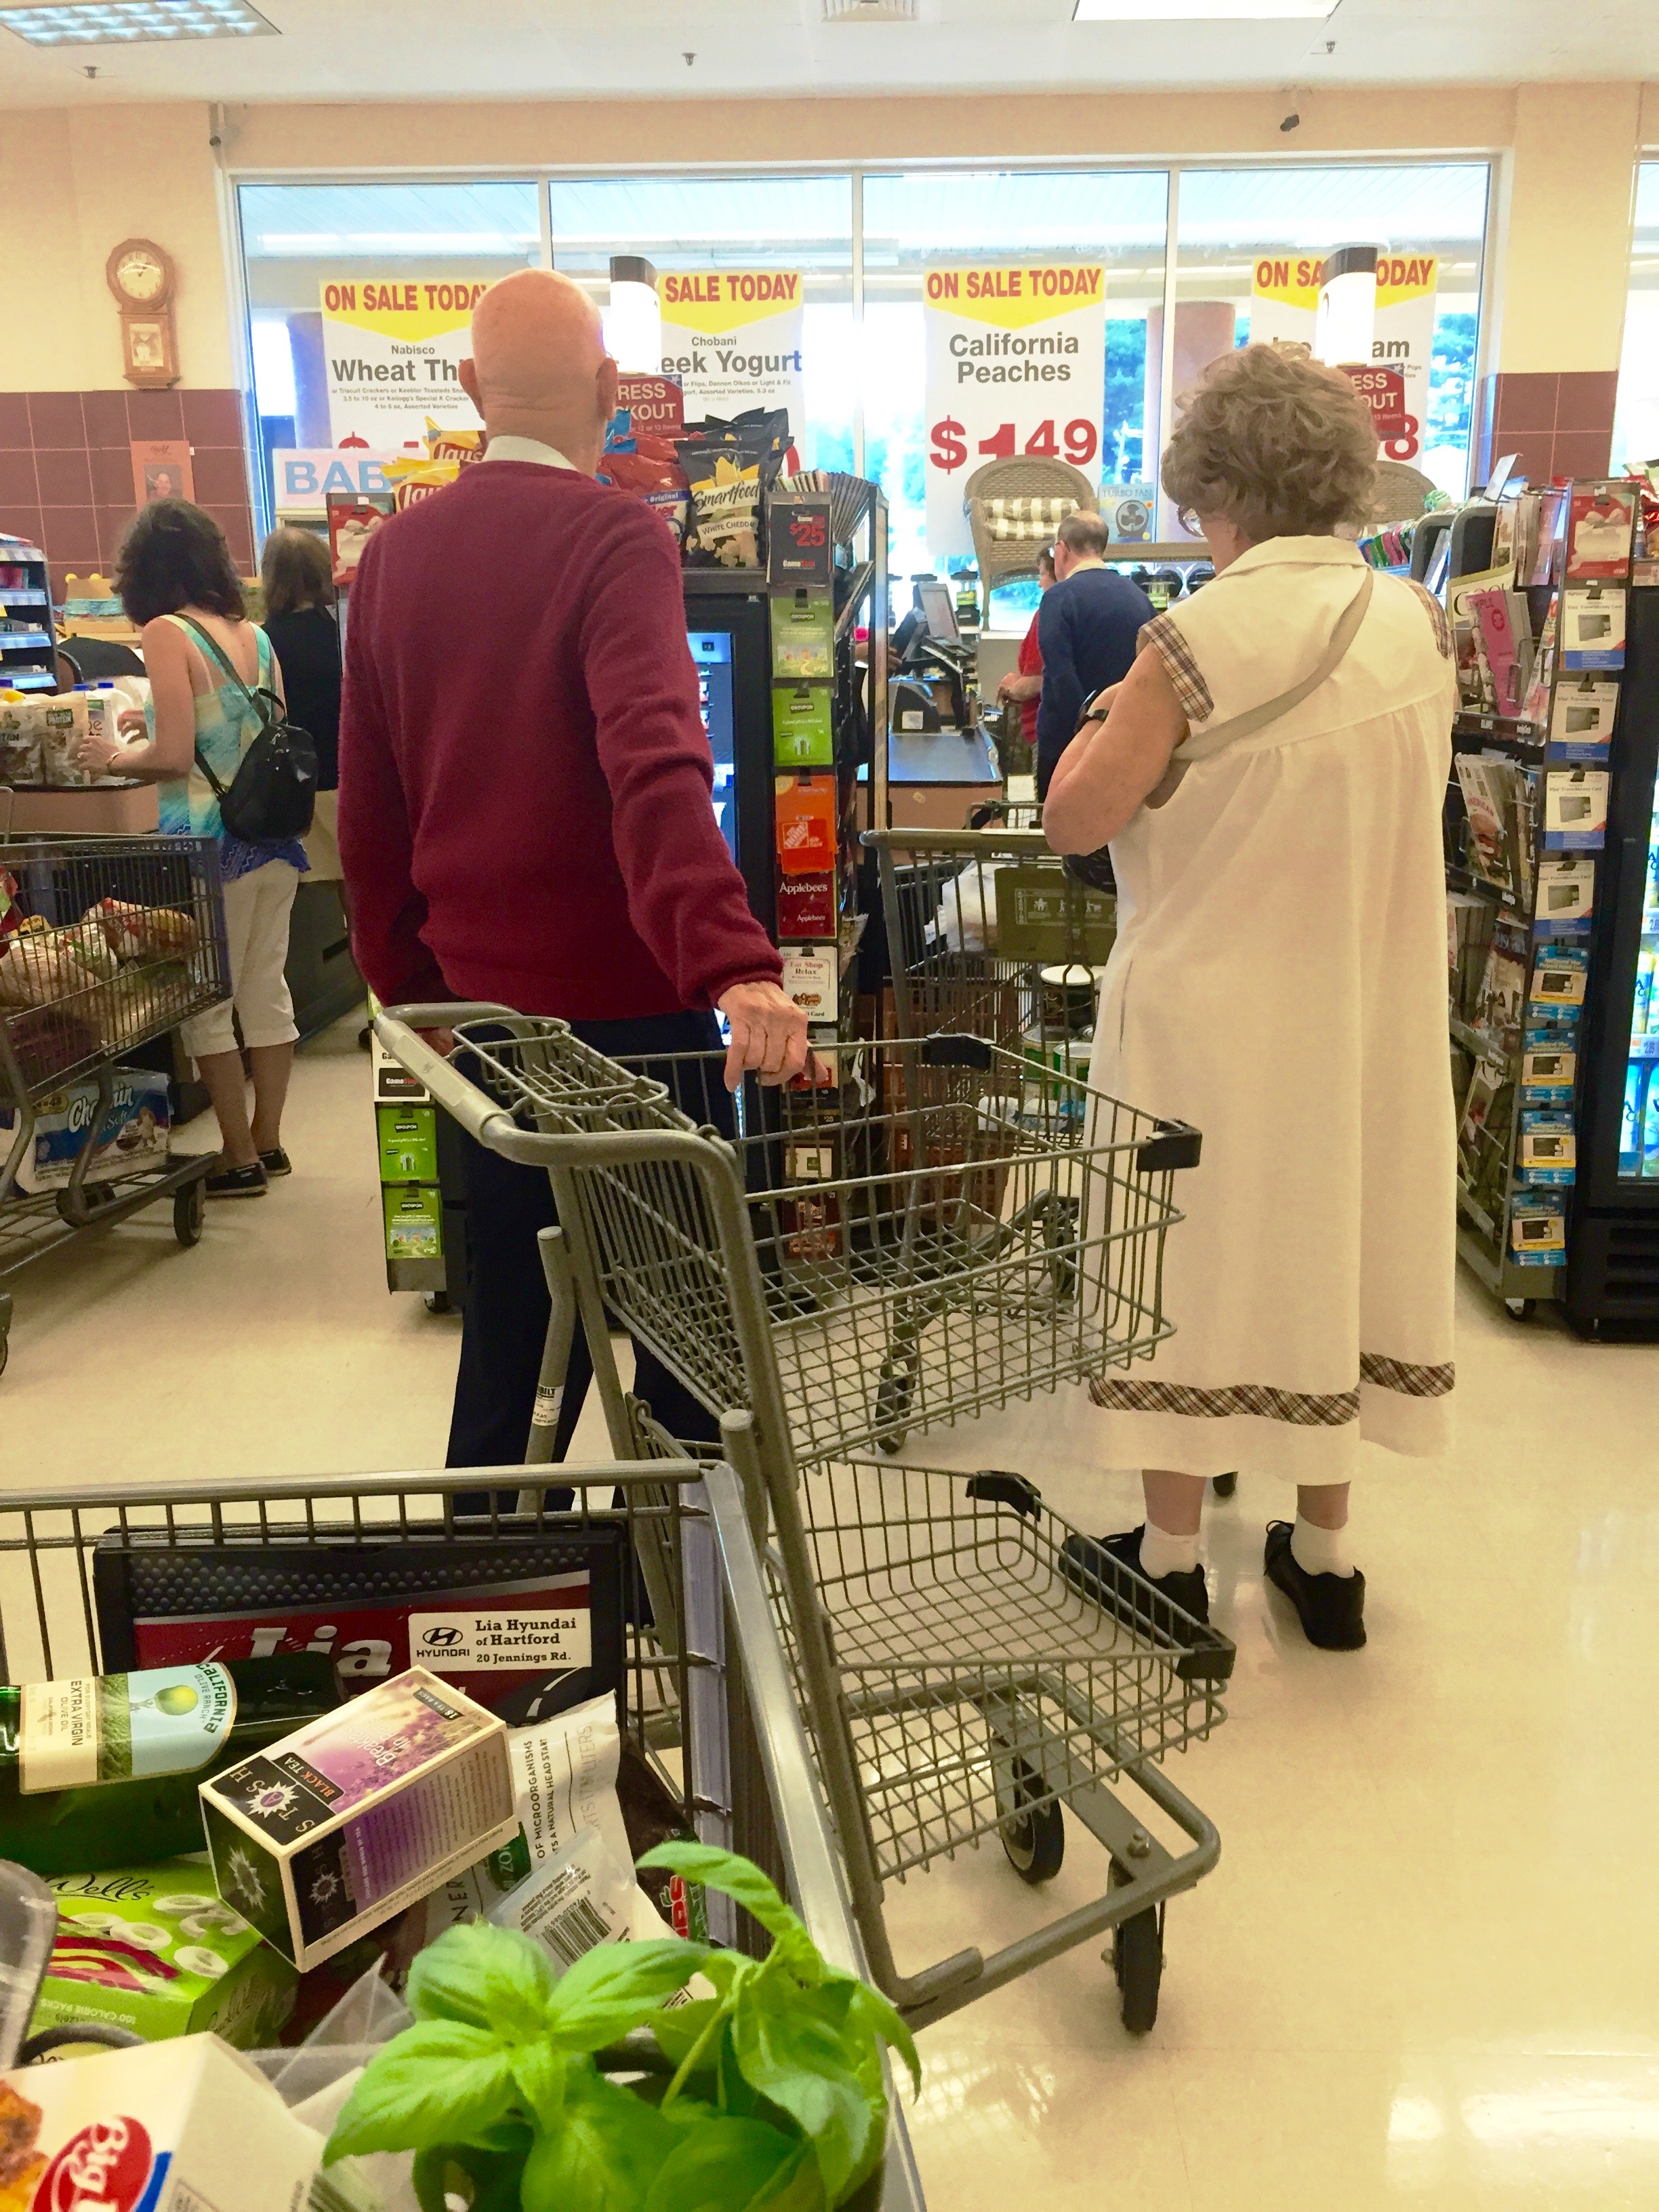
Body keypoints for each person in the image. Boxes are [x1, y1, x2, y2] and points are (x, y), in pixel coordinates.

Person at [337, 268, 811, 1471]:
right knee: (688, 1354)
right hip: (637, 1021)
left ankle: (487, 1600)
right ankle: (695, 1616)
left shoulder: (393, 557)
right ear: (609, 391)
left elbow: (371, 817)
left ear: (467, 391)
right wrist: (734, 963)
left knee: (507, 1338)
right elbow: (654, 768)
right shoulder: (615, 537)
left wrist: (410, 1000)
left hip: (486, 1024)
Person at [1041, 343, 1457, 1652]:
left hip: (1201, 1015)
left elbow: (1073, 819)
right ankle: (1324, 1559)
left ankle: (1168, 1556)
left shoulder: (1192, 635)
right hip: (1357, 1008)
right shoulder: (1412, 623)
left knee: (1183, 1257)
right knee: (1333, 1239)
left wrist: (1105, 720)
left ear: (1213, 490)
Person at [79, 499, 306, 1198]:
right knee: (266, 991)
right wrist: (143, 728)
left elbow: (175, 755)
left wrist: (115, 756)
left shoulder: (167, 632)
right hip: (272, 842)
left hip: (208, 845)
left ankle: (234, 1158)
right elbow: (254, 733)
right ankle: (268, 1143)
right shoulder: (256, 637)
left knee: (208, 1002)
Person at [1033, 512, 1154, 799]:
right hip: (1124, 739)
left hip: (1068, 746)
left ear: (1061, 550)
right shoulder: (1137, 596)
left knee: (1062, 837)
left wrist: (1084, 732)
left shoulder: (1058, 598)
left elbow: (1061, 676)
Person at [260, 527, 343, 882]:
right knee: (356, 886)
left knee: (295, 894)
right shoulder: (345, 630)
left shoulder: (262, 640)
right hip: (349, 778)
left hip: (294, 787)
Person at [994, 544, 1054, 761]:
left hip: (1043, 732)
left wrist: (1011, 686)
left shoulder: (1049, 614)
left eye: (1043, 574)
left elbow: (1037, 682)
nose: (1039, 583)